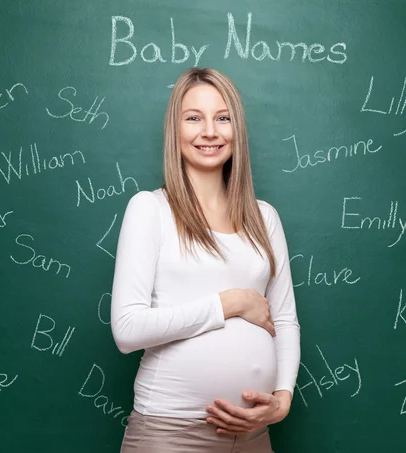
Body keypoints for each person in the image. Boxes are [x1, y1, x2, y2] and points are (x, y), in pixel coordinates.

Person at [111, 67, 301, 453]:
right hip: (170, 433)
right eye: (194, 118)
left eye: (223, 118)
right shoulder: (150, 209)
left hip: (253, 436)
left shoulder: (265, 218)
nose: (210, 131)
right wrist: (228, 304)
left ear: (237, 129)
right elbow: (127, 329)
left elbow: (283, 319)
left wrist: (282, 400)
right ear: (175, 129)